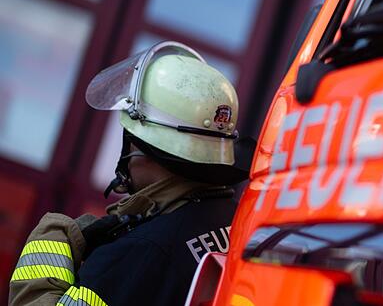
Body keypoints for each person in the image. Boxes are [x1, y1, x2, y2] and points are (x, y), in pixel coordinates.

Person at [9, 41, 251, 306]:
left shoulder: (137, 252)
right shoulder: (238, 220)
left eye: (129, 137)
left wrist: (52, 235)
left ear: (145, 149)